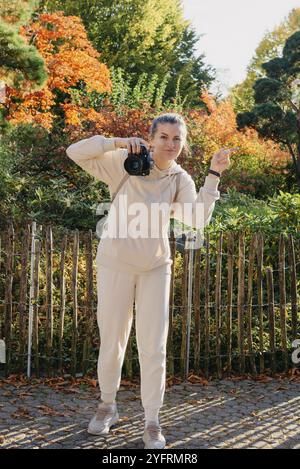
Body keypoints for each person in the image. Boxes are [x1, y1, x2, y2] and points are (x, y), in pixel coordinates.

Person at [66, 112, 232, 449]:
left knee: (153, 347)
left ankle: (152, 421)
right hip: (115, 264)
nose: (170, 145)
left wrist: (213, 174)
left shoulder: (179, 178)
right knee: (113, 340)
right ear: (151, 138)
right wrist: (116, 142)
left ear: (182, 144)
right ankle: (107, 406)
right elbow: (75, 151)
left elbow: (197, 219)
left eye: (177, 139)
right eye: (164, 137)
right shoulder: (124, 163)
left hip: (156, 267)